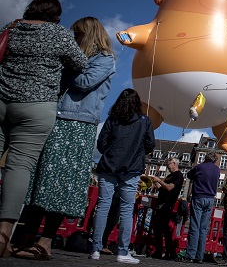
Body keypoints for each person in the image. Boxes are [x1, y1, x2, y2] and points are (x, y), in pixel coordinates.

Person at [11, 16, 115, 260]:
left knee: (62, 184)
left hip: (78, 124)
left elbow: (84, 82)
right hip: (58, 118)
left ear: (87, 35)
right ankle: (27, 238)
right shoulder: (80, 59)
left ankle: (45, 242)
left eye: (77, 35)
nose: (74, 39)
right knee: (42, 182)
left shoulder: (104, 59)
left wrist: (64, 67)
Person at [0, 0, 87, 256]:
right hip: (36, 106)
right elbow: (80, 64)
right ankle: (3, 234)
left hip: (2, 97)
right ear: (56, 14)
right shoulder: (59, 35)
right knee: (20, 166)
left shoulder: (12, 27)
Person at [89, 89, 155, 264]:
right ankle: (122, 251)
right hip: (131, 169)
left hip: (108, 166)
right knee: (126, 210)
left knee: (103, 206)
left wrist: (111, 153)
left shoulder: (112, 120)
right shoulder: (144, 121)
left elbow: (101, 143)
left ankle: (95, 248)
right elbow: (150, 144)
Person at [179, 152, 221, 263]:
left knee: (195, 226)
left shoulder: (199, 167)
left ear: (205, 159)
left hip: (198, 197)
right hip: (210, 199)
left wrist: (201, 165)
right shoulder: (217, 170)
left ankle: (191, 255)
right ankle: (199, 255)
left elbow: (189, 175)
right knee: (203, 228)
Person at [150, 157, 184, 260]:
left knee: (165, 229)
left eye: (169, 164)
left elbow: (169, 187)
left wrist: (159, 181)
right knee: (158, 228)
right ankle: (160, 251)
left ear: (174, 164)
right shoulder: (169, 176)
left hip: (167, 204)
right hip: (161, 203)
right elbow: (163, 188)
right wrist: (157, 183)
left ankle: (170, 252)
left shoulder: (178, 175)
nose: (168, 166)